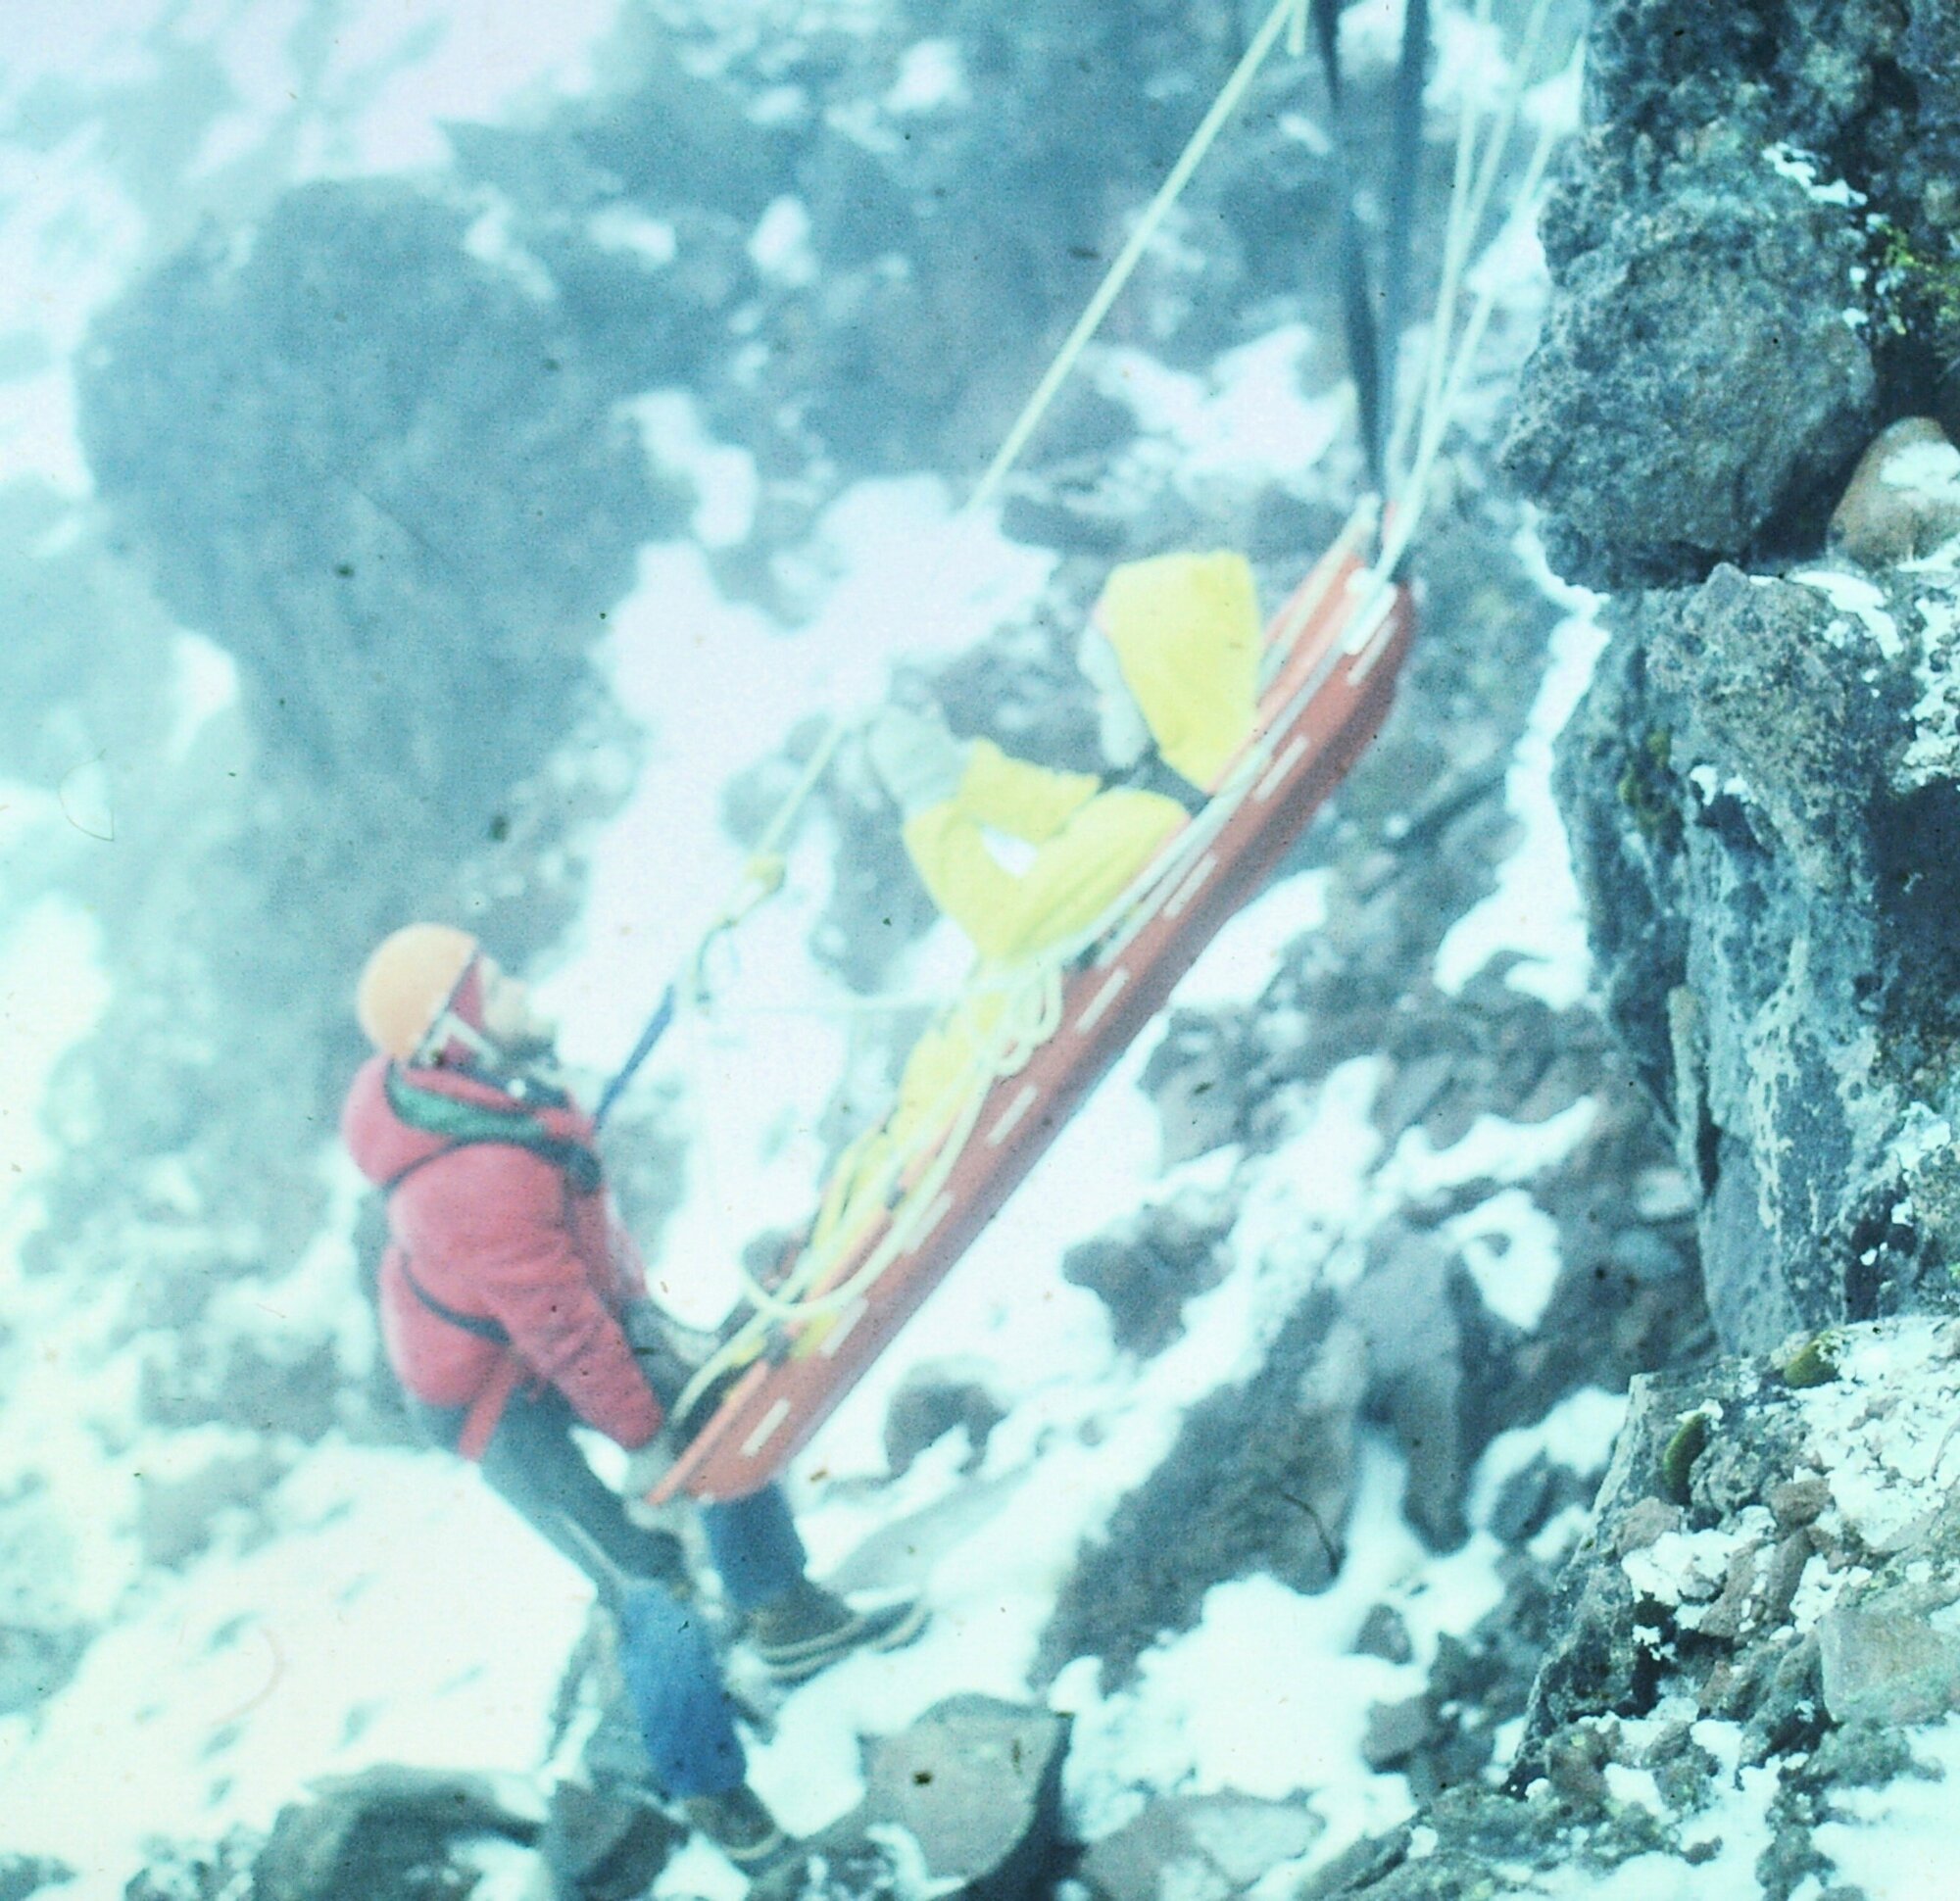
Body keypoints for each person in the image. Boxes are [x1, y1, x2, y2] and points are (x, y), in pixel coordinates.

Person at [340, 923, 924, 1869]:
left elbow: (579, 1264)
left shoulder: (490, 1096)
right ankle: (711, 1793)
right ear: (456, 1034)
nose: (522, 992)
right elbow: (560, 1326)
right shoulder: (471, 1171)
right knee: (646, 1577)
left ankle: (784, 1614)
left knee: (720, 1410)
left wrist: (657, 1356)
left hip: (544, 1331)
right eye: (498, 988)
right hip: (491, 1404)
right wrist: (645, 1432)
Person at [865, 549, 1264, 966]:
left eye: (1110, 691)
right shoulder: (1188, 759)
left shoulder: (1145, 818)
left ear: (1152, 684)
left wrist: (925, 797)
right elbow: (1068, 811)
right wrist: (959, 770)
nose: (1102, 707)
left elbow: (1007, 926)